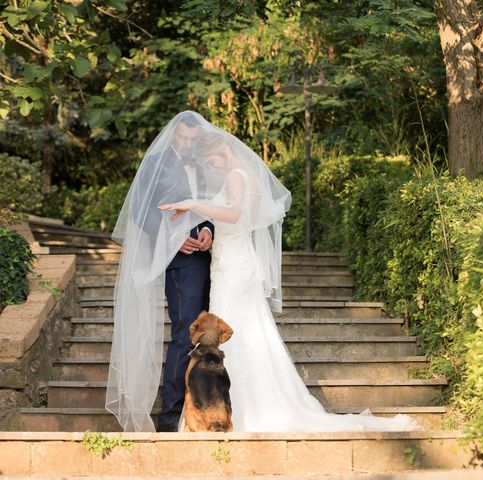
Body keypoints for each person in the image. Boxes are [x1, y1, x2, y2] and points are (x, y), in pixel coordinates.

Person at [158, 119, 419, 432]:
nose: (211, 168)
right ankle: (225, 406)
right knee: (245, 335)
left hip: (235, 269)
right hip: (227, 263)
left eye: (212, 162)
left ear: (223, 151)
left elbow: (235, 214)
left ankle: (244, 409)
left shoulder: (236, 176)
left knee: (241, 334)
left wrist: (193, 204)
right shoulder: (234, 175)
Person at [106, 112, 214, 432]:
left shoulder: (202, 166)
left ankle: (202, 406)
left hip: (209, 258)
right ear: (172, 136)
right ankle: (170, 415)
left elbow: (205, 206)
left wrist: (208, 229)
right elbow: (141, 211)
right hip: (178, 260)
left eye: (193, 140)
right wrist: (173, 240)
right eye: (182, 139)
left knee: (206, 334)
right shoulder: (155, 164)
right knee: (186, 333)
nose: (187, 145)